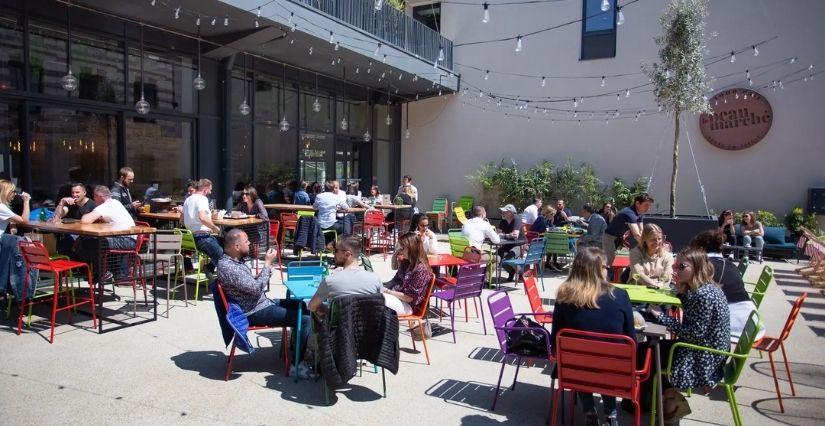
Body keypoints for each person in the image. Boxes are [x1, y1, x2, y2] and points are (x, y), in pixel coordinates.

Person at [641, 248, 731, 422]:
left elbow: (693, 334)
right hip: (710, 348)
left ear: (697, 267)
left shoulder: (702, 295)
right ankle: (660, 401)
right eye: (675, 266)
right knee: (649, 350)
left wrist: (661, 316)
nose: (675, 270)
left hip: (703, 356)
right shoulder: (703, 287)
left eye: (681, 267)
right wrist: (680, 293)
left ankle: (669, 404)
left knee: (647, 354)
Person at [550, 247, 635, 426]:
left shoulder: (564, 296)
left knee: (581, 359)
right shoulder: (620, 295)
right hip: (614, 372)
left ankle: (589, 412)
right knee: (609, 359)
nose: (608, 270)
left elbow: (555, 339)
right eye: (605, 266)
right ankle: (611, 415)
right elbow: (631, 340)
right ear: (599, 270)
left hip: (574, 370)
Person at [216, 229, 315, 379]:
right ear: (236, 246)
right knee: (304, 319)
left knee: (304, 306)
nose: (249, 244)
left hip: (261, 303)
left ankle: (297, 348)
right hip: (254, 311)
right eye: (246, 242)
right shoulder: (229, 267)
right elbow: (256, 289)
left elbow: (250, 285)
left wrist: (262, 273)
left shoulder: (232, 262)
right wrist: (267, 265)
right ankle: (297, 365)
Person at [690, 230, 764, 340]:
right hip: (752, 323)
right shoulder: (730, 265)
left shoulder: (702, 266)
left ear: (700, 249)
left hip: (732, 327)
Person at [308, 236, 383, 313]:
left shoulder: (330, 280)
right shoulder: (375, 279)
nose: (334, 253)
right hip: (367, 324)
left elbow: (311, 306)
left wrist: (328, 311)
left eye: (336, 251)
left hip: (340, 324)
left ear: (347, 254)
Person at [80, 186, 138, 279]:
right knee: (90, 241)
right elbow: (109, 219)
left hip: (126, 240)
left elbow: (85, 220)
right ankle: (103, 272)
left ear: (99, 196)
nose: (94, 200)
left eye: (94, 197)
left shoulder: (106, 206)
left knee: (90, 242)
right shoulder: (116, 202)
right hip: (130, 239)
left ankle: (103, 272)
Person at [382, 232, 432, 315]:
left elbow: (409, 298)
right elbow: (395, 280)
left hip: (410, 305)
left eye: (402, 248)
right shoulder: (406, 262)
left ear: (411, 248)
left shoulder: (421, 270)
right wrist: (381, 286)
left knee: (378, 302)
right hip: (399, 298)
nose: (400, 251)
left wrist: (387, 291)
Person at [182, 178, 223, 271]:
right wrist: (214, 227)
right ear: (205, 189)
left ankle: (209, 268)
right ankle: (209, 270)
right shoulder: (202, 199)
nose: (210, 192)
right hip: (202, 239)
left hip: (191, 239)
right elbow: (202, 217)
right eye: (210, 190)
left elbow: (181, 219)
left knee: (225, 243)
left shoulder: (188, 199)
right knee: (223, 254)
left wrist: (192, 223)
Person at [604, 193, 654, 266]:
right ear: (637, 203)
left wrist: (648, 243)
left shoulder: (640, 213)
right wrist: (648, 247)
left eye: (649, 206)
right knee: (610, 264)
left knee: (622, 264)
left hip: (620, 238)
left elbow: (641, 231)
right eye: (646, 205)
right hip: (609, 238)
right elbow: (637, 234)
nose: (648, 208)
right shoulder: (629, 213)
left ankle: (619, 277)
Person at [0, 180, 31, 298]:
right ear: (6, 192)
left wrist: (12, 223)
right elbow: (24, 220)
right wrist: (26, 201)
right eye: (13, 191)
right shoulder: (2, 207)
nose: (15, 194)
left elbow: (9, 218)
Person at [52, 183, 97, 256]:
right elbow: (56, 218)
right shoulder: (71, 204)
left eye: (77, 192)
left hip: (87, 237)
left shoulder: (92, 205)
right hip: (73, 234)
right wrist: (62, 202)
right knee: (63, 242)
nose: (74, 195)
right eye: (72, 192)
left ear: (84, 193)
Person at [497, 204, 523, 281]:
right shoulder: (503, 220)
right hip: (507, 244)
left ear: (510, 213)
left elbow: (515, 235)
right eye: (502, 211)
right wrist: (507, 235)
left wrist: (504, 235)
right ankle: (512, 271)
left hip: (519, 244)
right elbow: (498, 234)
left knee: (509, 259)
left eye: (504, 212)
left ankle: (521, 272)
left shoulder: (517, 219)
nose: (502, 213)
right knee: (497, 257)